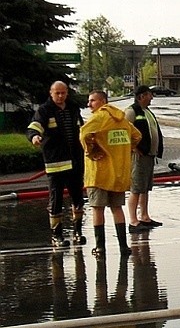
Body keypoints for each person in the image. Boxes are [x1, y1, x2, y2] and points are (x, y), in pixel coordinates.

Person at [80, 90, 142, 257]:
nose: (89, 104)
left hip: (99, 173)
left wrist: (91, 150)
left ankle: (100, 247)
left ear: (102, 101)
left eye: (92, 101)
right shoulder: (122, 120)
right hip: (118, 174)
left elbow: (84, 133)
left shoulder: (98, 118)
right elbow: (137, 136)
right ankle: (123, 246)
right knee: (117, 208)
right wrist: (123, 150)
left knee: (97, 209)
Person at [26, 80, 87, 247]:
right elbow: (34, 127)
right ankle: (57, 235)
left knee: (78, 197)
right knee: (56, 199)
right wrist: (34, 137)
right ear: (51, 93)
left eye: (63, 93)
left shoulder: (73, 109)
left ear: (67, 92)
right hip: (55, 163)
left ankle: (77, 232)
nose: (60, 96)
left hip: (75, 161)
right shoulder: (44, 110)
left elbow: (81, 129)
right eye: (57, 93)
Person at [125, 85, 165, 233]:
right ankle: (133, 221)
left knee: (145, 188)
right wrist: (134, 148)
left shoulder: (147, 112)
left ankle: (145, 217)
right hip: (138, 156)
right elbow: (124, 131)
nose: (152, 98)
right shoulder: (131, 111)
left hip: (148, 155)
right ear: (141, 96)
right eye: (149, 95)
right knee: (136, 187)